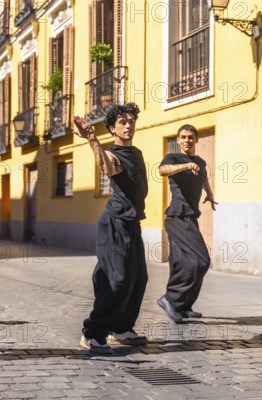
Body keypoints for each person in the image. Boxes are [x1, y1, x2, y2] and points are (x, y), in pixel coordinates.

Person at [74, 103, 149, 354]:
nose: (128, 125)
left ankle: (121, 328)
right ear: (112, 128)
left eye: (131, 121)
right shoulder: (113, 153)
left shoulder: (136, 152)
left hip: (132, 221)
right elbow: (107, 167)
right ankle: (92, 333)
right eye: (123, 122)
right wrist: (92, 139)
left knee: (139, 279)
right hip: (115, 223)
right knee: (120, 281)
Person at [157, 124, 217, 323]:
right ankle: (171, 300)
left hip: (190, 217)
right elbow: (162, 171)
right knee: (201, 261)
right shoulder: (173, 159)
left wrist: (209, 193)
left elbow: (203, 177)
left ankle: (184, 306)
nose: (187, 140)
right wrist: (185, 166)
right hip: (177, 217)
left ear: (196, 139)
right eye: (183, 137)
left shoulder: (199, 161)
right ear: (178, 140)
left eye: (191, 137)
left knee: (179, 262)